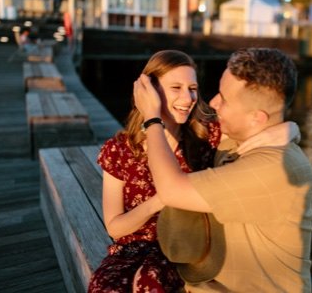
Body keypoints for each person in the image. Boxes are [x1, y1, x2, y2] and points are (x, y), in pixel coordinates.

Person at [134, 48, 312, 292]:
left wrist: (151, 119)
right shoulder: (236, 141)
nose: (214, 103)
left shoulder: (274, 169)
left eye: (224, 99)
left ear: (257, 118)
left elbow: (171, 190)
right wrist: (290, 127)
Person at [88, 50, 221, 292]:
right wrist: (162, 199)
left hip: (187, 246)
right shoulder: (120, 150)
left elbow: (251, 128)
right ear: (150, 92)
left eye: (193, 88)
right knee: (105, 288)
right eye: (176, 87)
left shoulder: (207, 139)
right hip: (133, 248)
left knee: (150, 282)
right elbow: (115, 227)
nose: (188, 97)